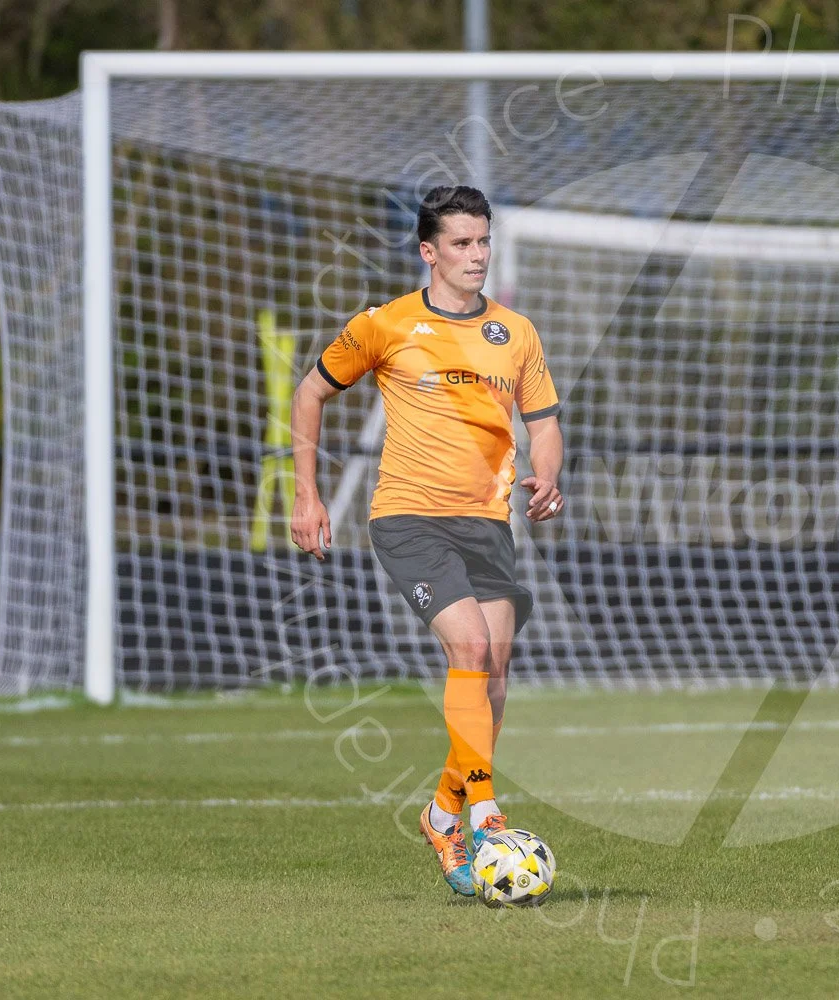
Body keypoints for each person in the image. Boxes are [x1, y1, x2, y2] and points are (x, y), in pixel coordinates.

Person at [289, 185, 563, 896]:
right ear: (428, 251)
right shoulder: (384, 326)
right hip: (407, 519)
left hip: (488, 522)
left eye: (483, 241)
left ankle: (444, 812)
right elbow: (309, 393)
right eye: (462, 243)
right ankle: (487, 815)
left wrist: (548, 476)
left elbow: (545, 423)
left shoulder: (517, 333)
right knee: (469, 649)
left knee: (493, 679)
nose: (477, 255)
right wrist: (307, 494)